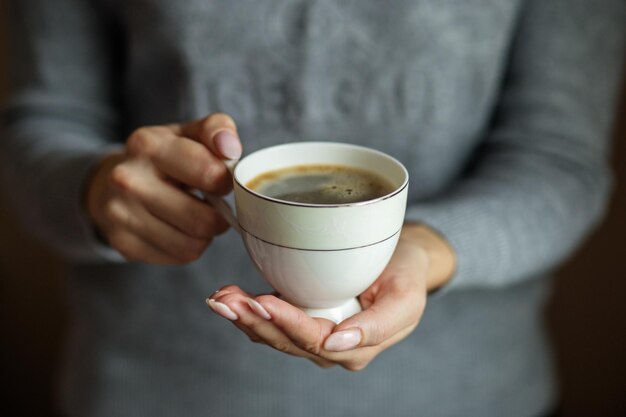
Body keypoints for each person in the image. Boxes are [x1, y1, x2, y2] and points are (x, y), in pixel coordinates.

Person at [1, 1, 624, 416]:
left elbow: (558, 160)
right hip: (152, 389)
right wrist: (96, 188)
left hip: (463, 395)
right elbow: (44, 122)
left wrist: (422, 253)